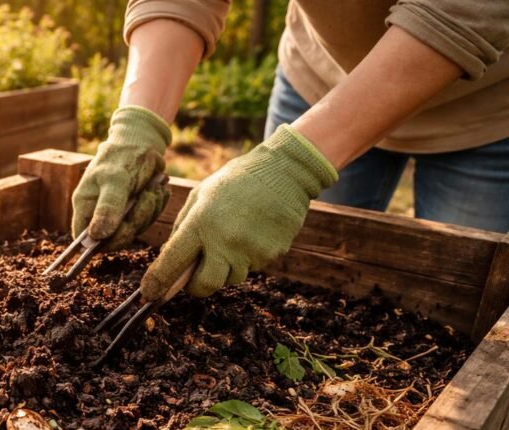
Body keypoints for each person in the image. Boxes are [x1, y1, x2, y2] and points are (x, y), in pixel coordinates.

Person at [73, 1, 509, 303]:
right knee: (296, 273)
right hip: (319, 79)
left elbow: (467, 9)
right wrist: (138, 123)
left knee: (459, 299)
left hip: (482, 113)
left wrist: (296, 165)